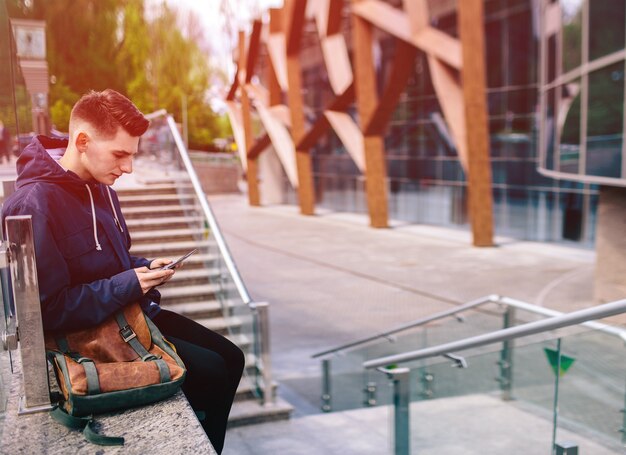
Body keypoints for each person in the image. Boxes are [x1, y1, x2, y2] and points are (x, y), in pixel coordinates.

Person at [1, 89, 243, 454]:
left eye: (133, 154)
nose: (128, 167)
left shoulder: (103, 187)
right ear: (82, 141)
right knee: (210, 372)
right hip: (86, 334)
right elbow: (44, 311)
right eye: (120, 154)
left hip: (127, 314)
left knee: (232, 358)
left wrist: (145, 268)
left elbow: (111, 261)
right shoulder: (32, 204)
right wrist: (128, 283)